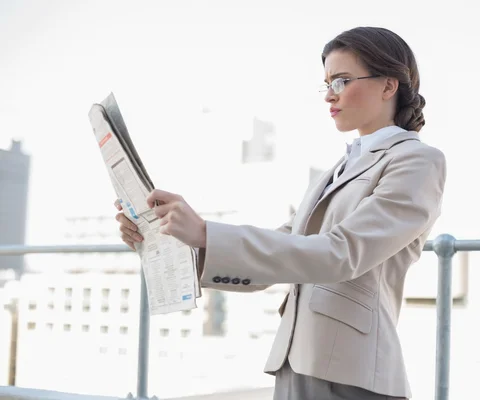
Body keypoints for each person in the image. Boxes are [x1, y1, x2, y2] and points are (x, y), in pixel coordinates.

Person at [115, 26, 446, 400]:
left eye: (342, 80)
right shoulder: (337, 169)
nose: (329, 96)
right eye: (327, 83)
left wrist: (206, 232)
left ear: (389, 86)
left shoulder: (418, 160)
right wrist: (168, 243)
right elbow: (279, 252)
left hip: (354, 373)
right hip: (295, 361)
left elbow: (343, 253)